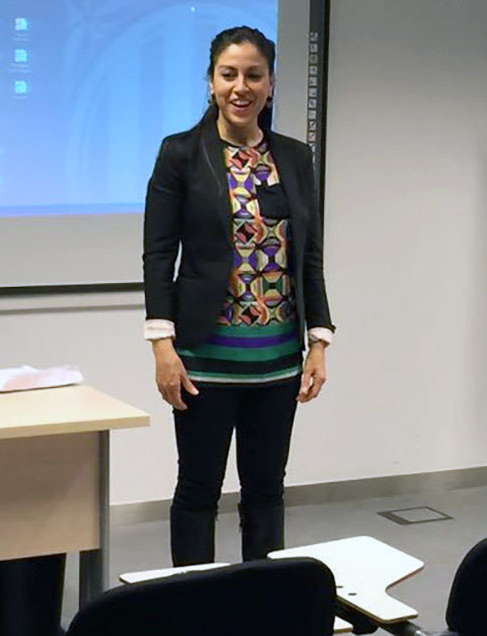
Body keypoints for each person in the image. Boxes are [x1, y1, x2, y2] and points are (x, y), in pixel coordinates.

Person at [143, 26, 335, 566]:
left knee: (267, 494)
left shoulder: (295, 158)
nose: (240, 86)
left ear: (271, 84)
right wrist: (162, 346)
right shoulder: (181, 154)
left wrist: (318, 342)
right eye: (229, 74)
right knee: (199, 492)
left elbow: (310, 255)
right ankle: (191, 608)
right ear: (211, 82)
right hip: (205, 362)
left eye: (254, 75)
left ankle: (263, 605)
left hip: (277, 364)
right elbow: (159, 255)